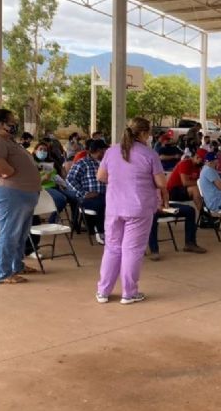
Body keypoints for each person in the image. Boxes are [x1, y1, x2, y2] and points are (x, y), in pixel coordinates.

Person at [95, 118, 167, 305]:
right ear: (143, 133)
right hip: (139, 208)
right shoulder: (150, 154)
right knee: (132, 250)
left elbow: (101, 176)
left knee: (112, 248)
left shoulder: (111, 151)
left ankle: (103, 291)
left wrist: (120, 178)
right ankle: (129, 293)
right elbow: (161, 183)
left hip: (114, 207)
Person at [0, 109, 41, 284]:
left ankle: (17, 265)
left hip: (23, 194)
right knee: (9, 233)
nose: (15, 123)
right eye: (11, 121)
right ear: (0, 123)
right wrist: (11, 172)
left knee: (20, 234)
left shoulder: (7, 140)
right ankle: (4, 273)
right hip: (10, 193)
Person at [66, 139, 109, 245]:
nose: (106, 153)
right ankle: (100, 231)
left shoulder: (106, 163)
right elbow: (70, 179)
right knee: (102, 203)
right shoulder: (82, 163)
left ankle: (112, 232)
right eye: (104, 151)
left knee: (114, 203)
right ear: (99, 151)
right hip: (88, 197)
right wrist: (83, 193)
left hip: (107, 195)